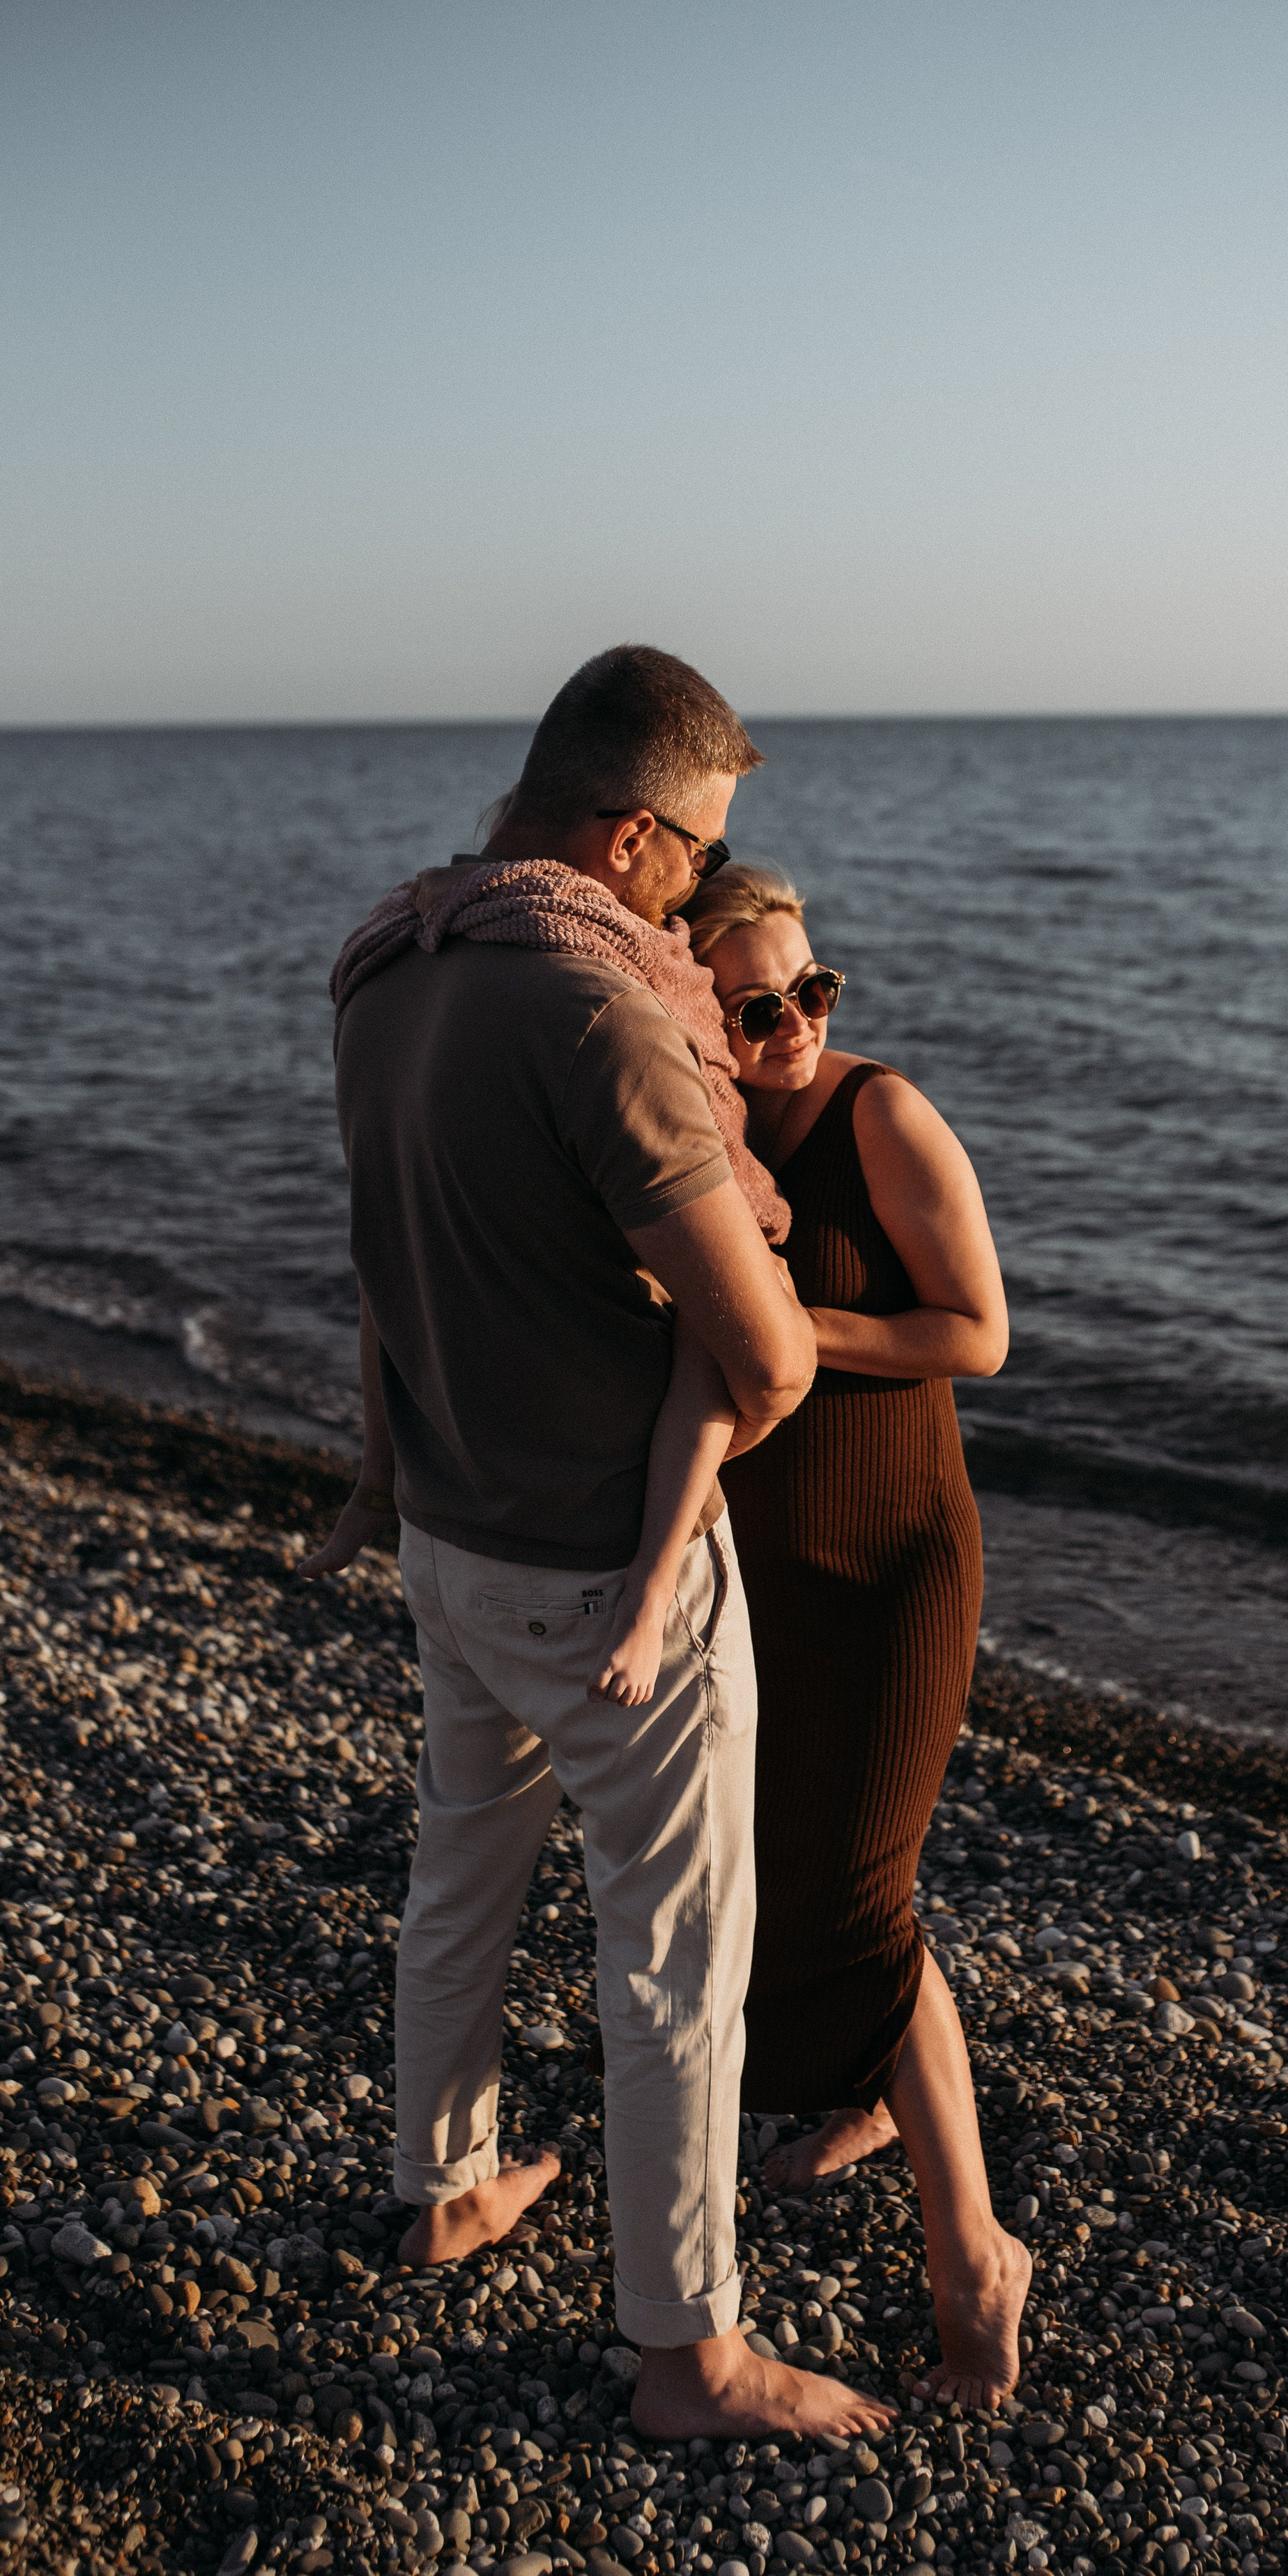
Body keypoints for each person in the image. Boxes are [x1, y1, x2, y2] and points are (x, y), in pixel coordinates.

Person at [304, 646, 891, 2444]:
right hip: (593, 1565)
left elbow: (397, 1265)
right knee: (669, 1963)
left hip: (448, 1531)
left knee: (461, 1878)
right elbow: (769, 1351)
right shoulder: (599, 1006)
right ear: (634, 833)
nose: (706, 887)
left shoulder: (390, 962)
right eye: (699, 850)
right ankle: (686, 2354)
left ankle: (448, 2183)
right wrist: (754, 1370)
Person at [682, 863, 1032, 2411]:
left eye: (815, 989)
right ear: (696, 1010)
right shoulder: (689, 1137)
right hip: (760, 1576)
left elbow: (978, 1332)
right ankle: (886, 2097)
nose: (797, 1028)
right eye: (758, 1008)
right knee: (813, 1875)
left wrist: (777, 1318)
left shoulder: (876, 1117)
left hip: (893, 1568)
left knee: (855, 1889)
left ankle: (976, 2261)